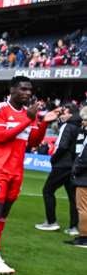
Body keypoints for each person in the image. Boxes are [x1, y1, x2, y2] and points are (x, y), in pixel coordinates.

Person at [0, 77, 60, 275]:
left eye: (30, 90)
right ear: (12, 89)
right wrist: (28, 119)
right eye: (23, 89)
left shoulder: (26, 114)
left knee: (3, 215)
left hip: (16, 171)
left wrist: (42, 124)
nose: (28, 93)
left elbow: (32, 141)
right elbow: (0, 137)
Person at [36, 104, 80, 234]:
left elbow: (62, 146)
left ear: (70, 114)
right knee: (73, 197)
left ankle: (51, 222)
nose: (61, 115)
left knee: (47, 190)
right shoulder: (79, 126)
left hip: (62, 164)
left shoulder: (67, 126)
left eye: (63, 112)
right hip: (73, 165)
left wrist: (54, 159)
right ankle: (74, 227)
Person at [67, 106, 87, 248]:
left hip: (84, 177)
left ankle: (84, 237)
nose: (83, 122)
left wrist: (76, 169)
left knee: (83, 208)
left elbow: (84, 158)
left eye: (85, 119)